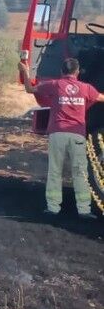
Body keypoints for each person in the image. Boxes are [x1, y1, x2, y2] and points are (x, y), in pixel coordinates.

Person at [19, 55, 100, 217]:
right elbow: (100, 98)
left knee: (55, 171)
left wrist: (25, 72)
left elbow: (30, 89)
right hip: (77, 135)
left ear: (61, 71)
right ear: (77, 72)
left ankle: (53, 208)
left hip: (57, 134)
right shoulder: (86, 88)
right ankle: (84, 210)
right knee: (80, 172)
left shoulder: (54, 85)